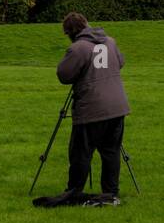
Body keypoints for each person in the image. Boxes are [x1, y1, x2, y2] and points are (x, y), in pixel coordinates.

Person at [56, 12, 131, 203]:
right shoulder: (110, 42)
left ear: (70, 33)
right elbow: (120, 62)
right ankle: (111, 192)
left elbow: (64, 75)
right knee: (111, 151)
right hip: (117, 106)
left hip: (92, 107)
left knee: (81, 152)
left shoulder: (78, 48)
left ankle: (74, 191)